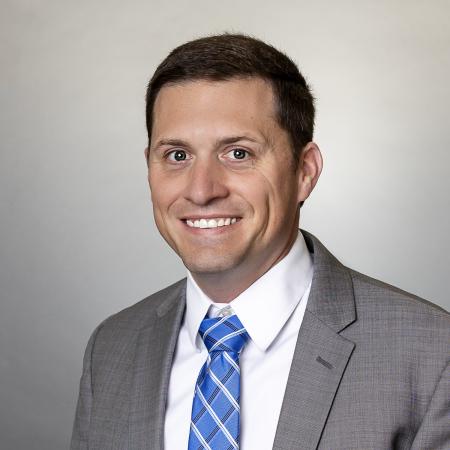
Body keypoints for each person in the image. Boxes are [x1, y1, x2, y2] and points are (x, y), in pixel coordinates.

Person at [71, 34, 450, 450]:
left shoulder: (431, 353)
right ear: (149, 167)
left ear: (305, 171)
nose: (201, 190)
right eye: (177, 156)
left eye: (238, 154)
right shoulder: (112, 348)